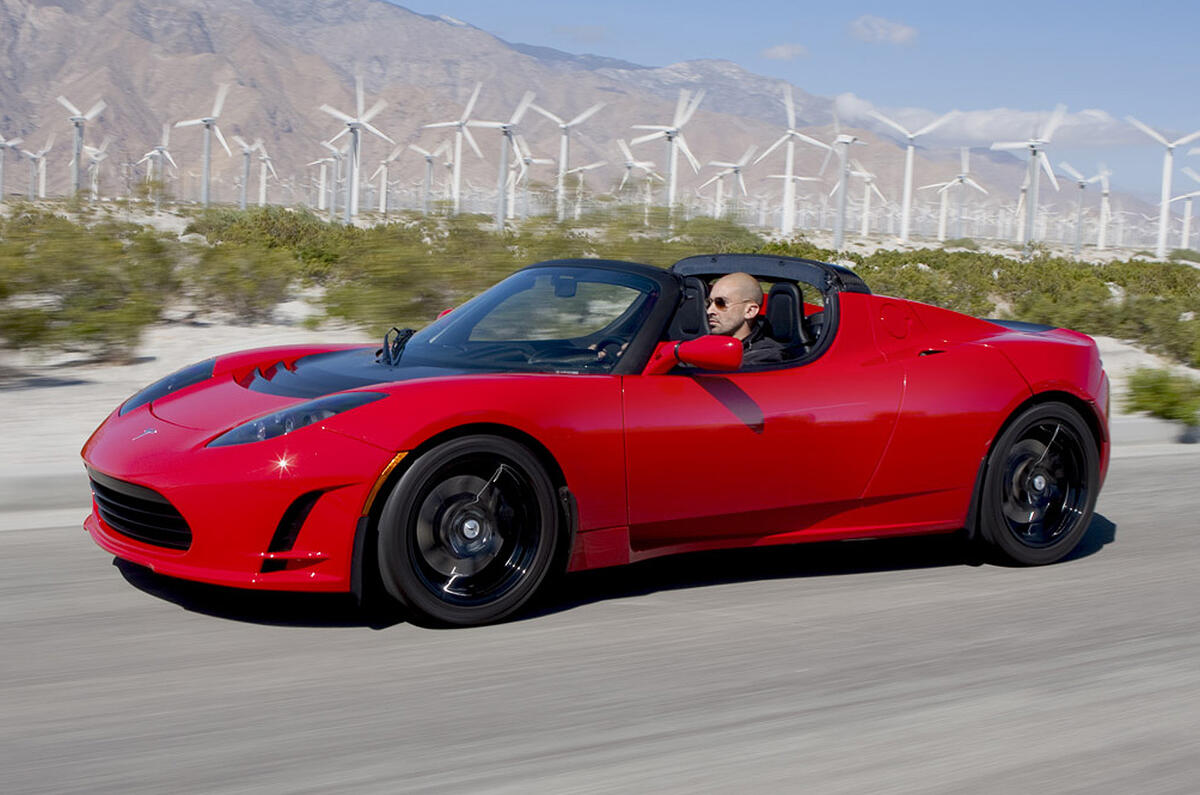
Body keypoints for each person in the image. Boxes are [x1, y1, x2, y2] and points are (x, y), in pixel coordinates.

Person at [705, 272, 785, 366]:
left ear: (750, 311)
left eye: (721, 303)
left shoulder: (766, 356)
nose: (709, 311)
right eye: (709, 303)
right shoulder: (703, 343)